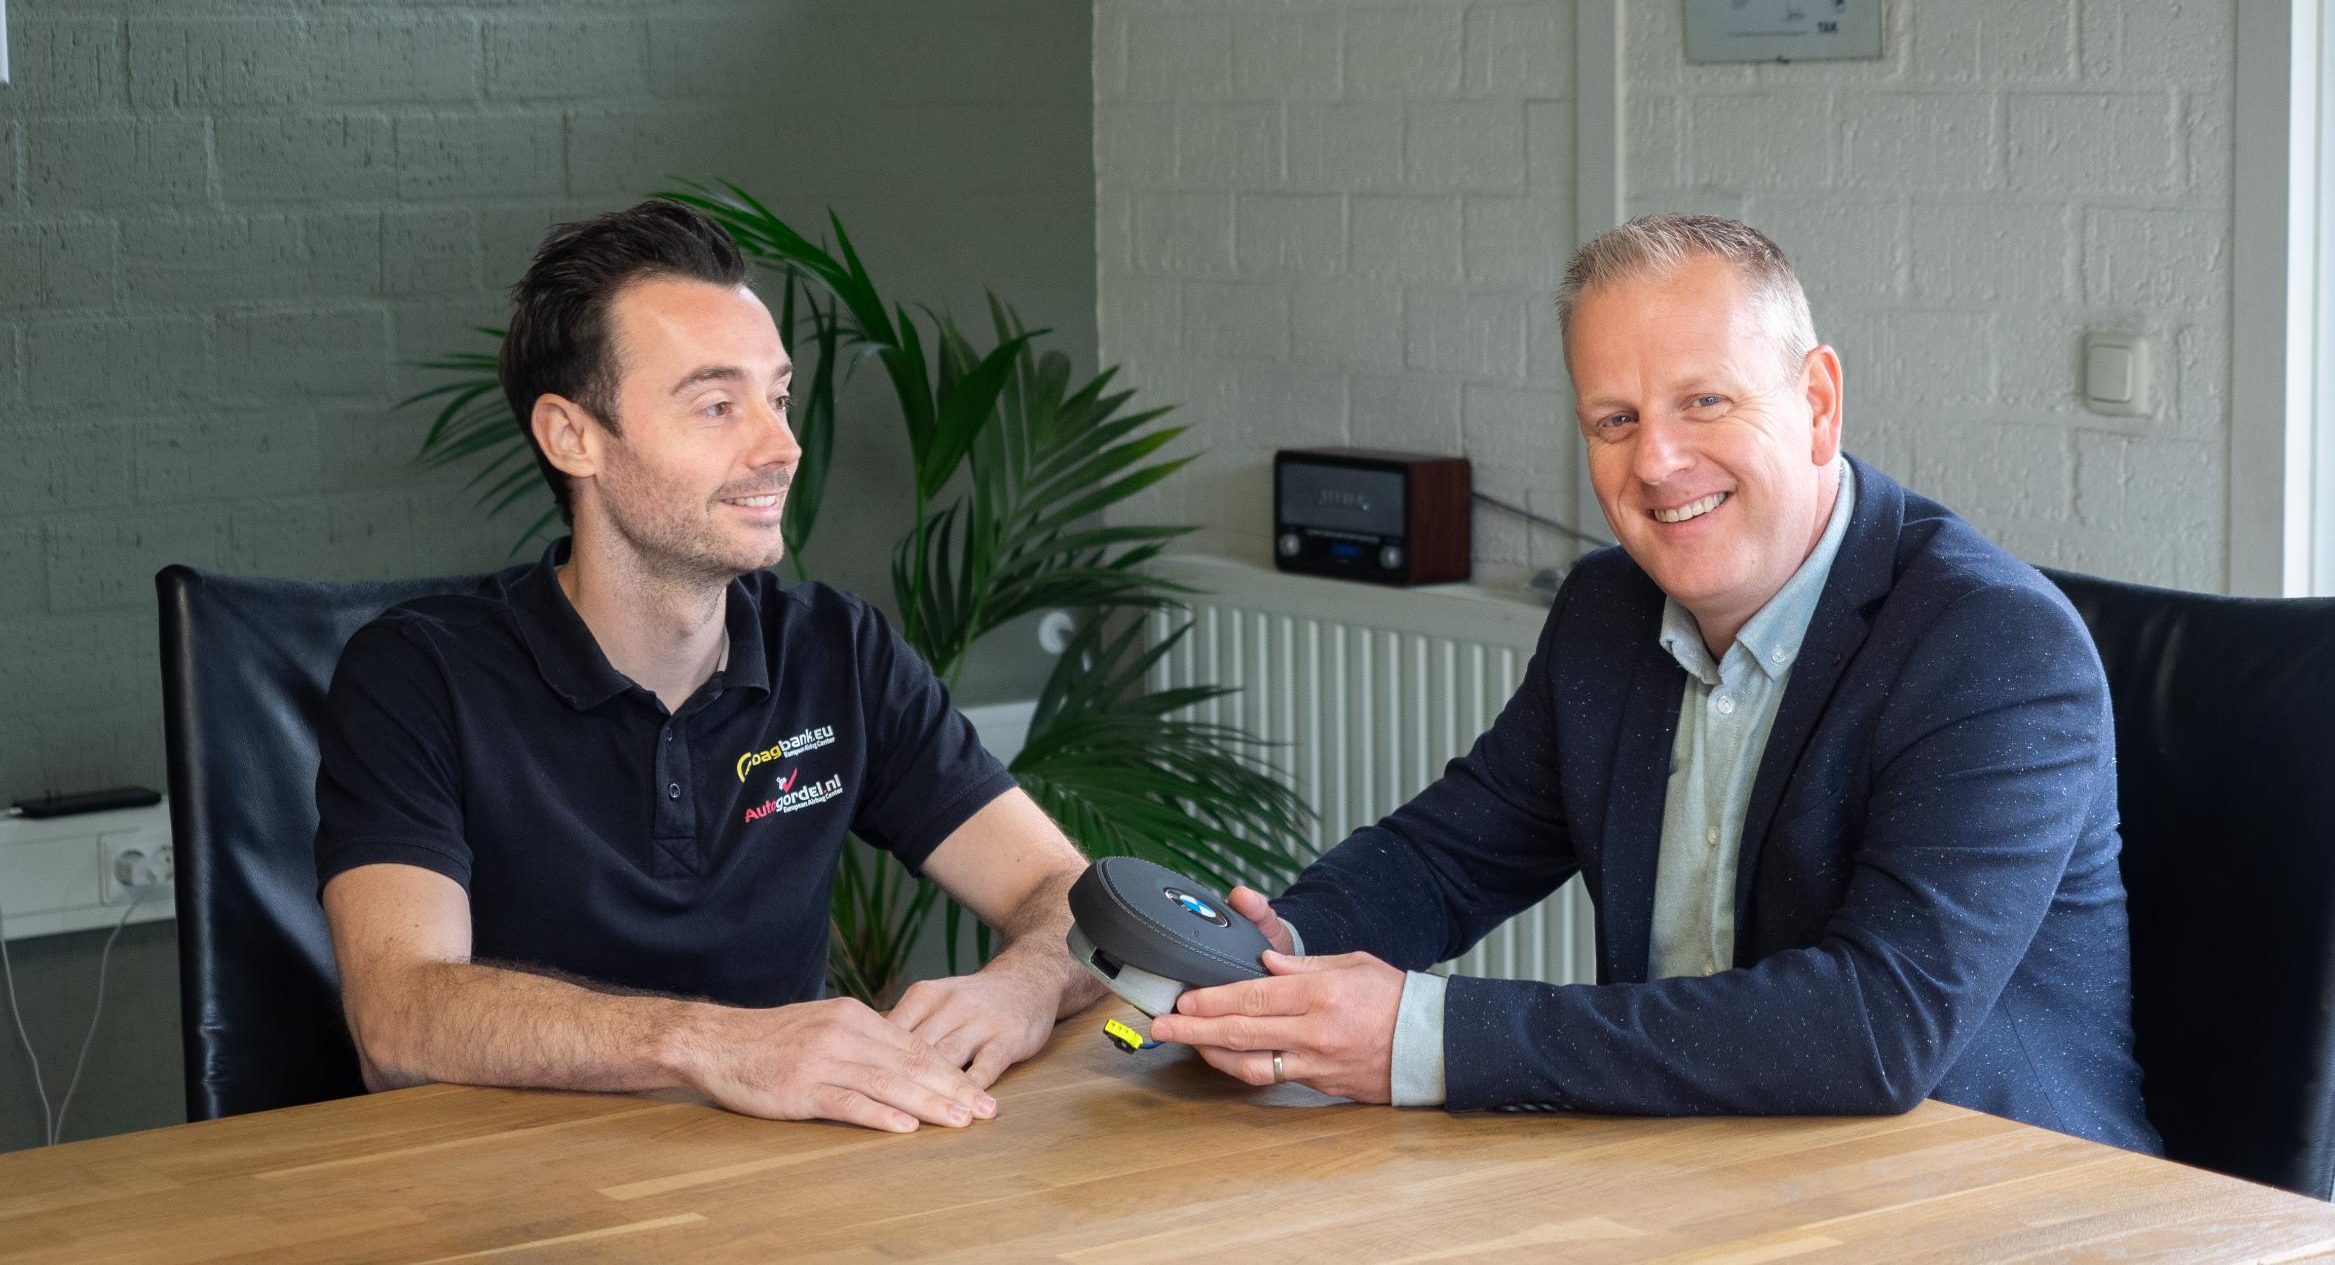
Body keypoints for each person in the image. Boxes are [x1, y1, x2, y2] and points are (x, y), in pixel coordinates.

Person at [1149, 214, 2161, 1153]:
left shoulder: (1992, 645)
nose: (1658, 461)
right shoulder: (1608, 610)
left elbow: (1874, 1023)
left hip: (1996, 1196)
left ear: (1816, 402)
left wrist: (1424, 1035)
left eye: (1703, 401)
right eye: (1613, 419)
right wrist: (1276, 954)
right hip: (1696, 1169)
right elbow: (1447, 856)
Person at [314, 199, 1100, 1134]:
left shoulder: (837, 652)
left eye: (776, 396)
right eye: (717, 405)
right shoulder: (418, 673)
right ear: (573, 437)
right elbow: (399, 1018)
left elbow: (1070, 899)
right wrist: (714, 1042)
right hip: (509, 1204)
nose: (782, 447)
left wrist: (1022, 985)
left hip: (781, 1186)